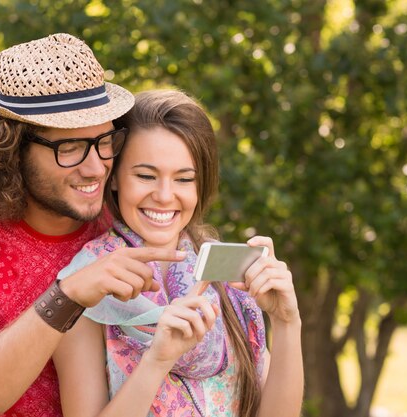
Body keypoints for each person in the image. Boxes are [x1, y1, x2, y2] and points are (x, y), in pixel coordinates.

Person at [0, 34, 186, 417]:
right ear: (10, 149)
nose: (96, 167)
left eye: (105, 140)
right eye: (68, 147)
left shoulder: (125, 227)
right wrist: (67, 295)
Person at [53, 89, 304, 417]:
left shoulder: (224, 273)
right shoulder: (84, 283)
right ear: (113, 177)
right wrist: (157, 361)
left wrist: (286, 322)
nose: (164, 195)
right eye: (146, 176)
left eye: (184, 179)